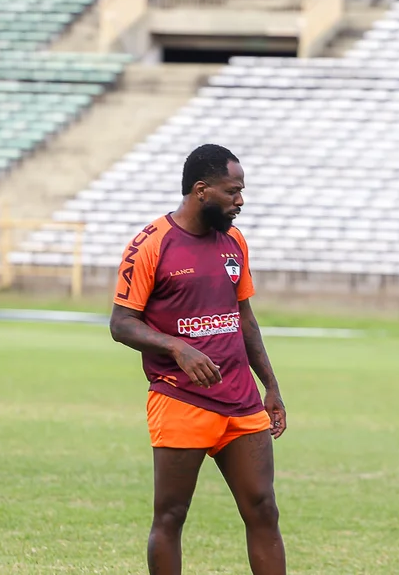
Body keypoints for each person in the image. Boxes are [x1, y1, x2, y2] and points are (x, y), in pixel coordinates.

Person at [109, 144, 288, 575]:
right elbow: (121, 323)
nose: (240, 201)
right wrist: (176, 346)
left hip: (242, 401)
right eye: (233, 192)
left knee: (263, 509)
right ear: (202, 190)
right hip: (180, 399)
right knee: (170, 517)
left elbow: (245, 319)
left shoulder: (234, 242)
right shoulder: (151, 244)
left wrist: (272, 386)